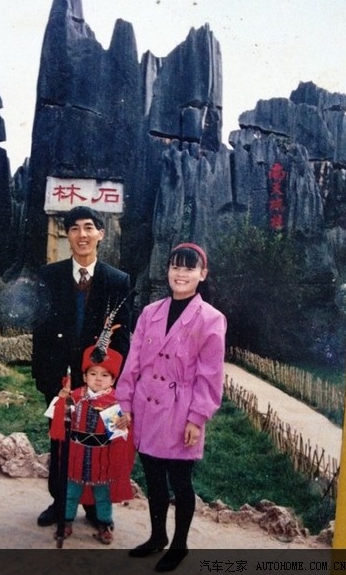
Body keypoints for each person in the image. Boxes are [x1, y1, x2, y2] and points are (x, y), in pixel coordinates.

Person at [115, 243, 226, 572]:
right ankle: (157, 536)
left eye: (189, 268)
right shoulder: (150, 312)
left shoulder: (211, 319)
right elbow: (133, 361)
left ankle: (179, 546)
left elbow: (210, 375)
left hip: (181, 412)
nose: (181, 274)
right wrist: (125, 403)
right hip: (146, 406)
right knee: (153, 478)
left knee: (180, 481)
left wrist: (197, 418)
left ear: (202, 274)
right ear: (167, 271)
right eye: (176, 266)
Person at [32, 206, 131, 527]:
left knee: (100, 444)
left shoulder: (118, 280)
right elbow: (40, 332)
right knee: (61, 441)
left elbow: (122, 338)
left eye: (89, 227)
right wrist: (46, 379)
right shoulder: (48, 276)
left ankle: (96, 509)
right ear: (67, 234)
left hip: (100, 382)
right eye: (74, 228)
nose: (82, 234)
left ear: (101, 233)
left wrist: (109, 382)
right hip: (60, 380)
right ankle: (60, 503)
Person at [47, 344, 134, 545]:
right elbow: (58, 419)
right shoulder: (75, 397)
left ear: (113, 380)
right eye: (93, 374)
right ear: (85, 377)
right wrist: (61, 402)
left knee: (102, 495)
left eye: (104, 375)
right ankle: (66, 522)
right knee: (70, 493)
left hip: (101, 461)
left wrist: (124, 424)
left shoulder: (114, 403)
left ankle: (104, 525)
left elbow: (119, 438)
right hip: (75, 457)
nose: (98, 379)